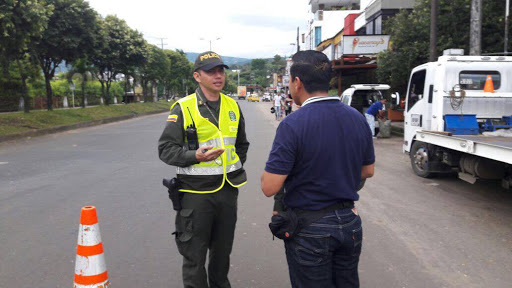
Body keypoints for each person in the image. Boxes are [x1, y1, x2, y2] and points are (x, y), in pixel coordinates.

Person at [261, 50, 375, 288]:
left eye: (290, 80)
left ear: (298, 82)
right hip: (349, 223)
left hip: (310, 228)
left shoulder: (292, 124)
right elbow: (367, 171)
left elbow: (269, 187)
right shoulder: (357, 118)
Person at [158, 51, 250, 288]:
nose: (218, 76)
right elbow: (166, 149)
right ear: (197, 76)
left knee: (222, 256)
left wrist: (231, 167)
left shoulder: (232, 105)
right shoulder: (183, 108)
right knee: (194, 257)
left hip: (228, 192)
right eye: (211, 71)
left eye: (221, 70)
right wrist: (194, 156)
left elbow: (241, 144)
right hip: (195, 196)